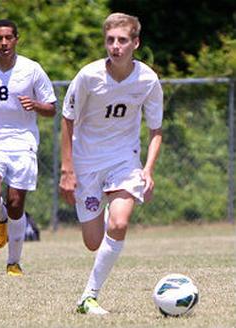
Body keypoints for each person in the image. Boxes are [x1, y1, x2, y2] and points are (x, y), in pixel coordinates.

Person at [59, 12, 163, 314]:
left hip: (124, 159)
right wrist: (68, 170)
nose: (115, 46)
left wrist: (148, 169)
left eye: (122, 40)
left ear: (135, 43)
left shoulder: (147, 79)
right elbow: (67, 120)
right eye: (110, 40)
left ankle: (88, 296)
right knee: (93, 242)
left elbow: (156, 130)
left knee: (119, 223)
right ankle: (103, 207)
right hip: (87, 160)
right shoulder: (89, 76)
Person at [0, 19, 56, 276]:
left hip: (23, 141)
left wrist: (35, 105)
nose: (4, 43)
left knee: (16, 203)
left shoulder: (32, 69)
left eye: (8, 38)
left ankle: (13, 262)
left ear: (16, 39)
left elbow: (51, 108)